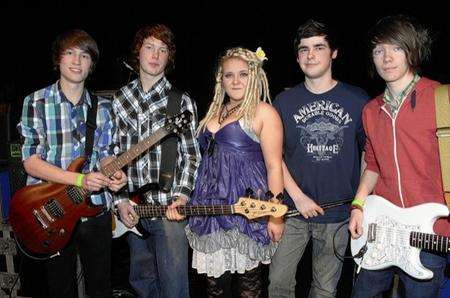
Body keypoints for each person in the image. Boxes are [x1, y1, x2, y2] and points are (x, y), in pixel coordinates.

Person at [18, 29, 127, 297]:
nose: (77, 61)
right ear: (58, 59)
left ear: (92, 65)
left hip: (96, 208)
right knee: (60, 288)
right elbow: (31, 162)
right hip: (51, 210)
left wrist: (116, 173)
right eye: (70, 52)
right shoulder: (36, 102)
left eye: (85, 55)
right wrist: (80, 179)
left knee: (100, 287)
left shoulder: (103, 107)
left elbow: (106, 153)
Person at [349, 15, 450, 298]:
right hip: (381, 228)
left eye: (396, 48)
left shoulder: (441, 98)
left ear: (411, 51)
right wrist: (358, 205)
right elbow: (372, 164)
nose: (387, 57)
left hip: (429, 231)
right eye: (379, 50)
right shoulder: (371, 110)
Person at [268, 19, 369, 298]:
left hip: (337, 213)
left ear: (334, 52)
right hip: (291, 210)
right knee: (278, 283)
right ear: (297, 56)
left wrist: (360, 203)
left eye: (319, 47)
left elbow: (368, 156)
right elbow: (274, 158)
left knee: (324, 290)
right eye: (304, 49)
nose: (310, 55)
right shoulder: (283, 102)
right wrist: (298, 197)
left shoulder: (357, 100)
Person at [184, 46, 284, 297]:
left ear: (255, 76)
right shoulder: (214, 111)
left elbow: (274, 166)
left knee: (248, 283)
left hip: (247, 205)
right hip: (210, 204)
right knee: (214, 285)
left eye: (243, 74)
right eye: (229, 75)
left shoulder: (264, 112)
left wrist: (276, 215)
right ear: (221, 79)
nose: (236, 80)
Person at [113, 23, 201, 298]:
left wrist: (183, 197)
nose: (155, 55)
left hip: (169, 210)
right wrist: (120, 200)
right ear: (137, 52)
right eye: (149, 47)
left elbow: (191, 155)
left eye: (162, 50)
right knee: (142, 281)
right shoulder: (119, 100)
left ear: (169, 57)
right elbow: (114, 155)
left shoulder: (180, 101)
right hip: (132, 209)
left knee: (174, 287)